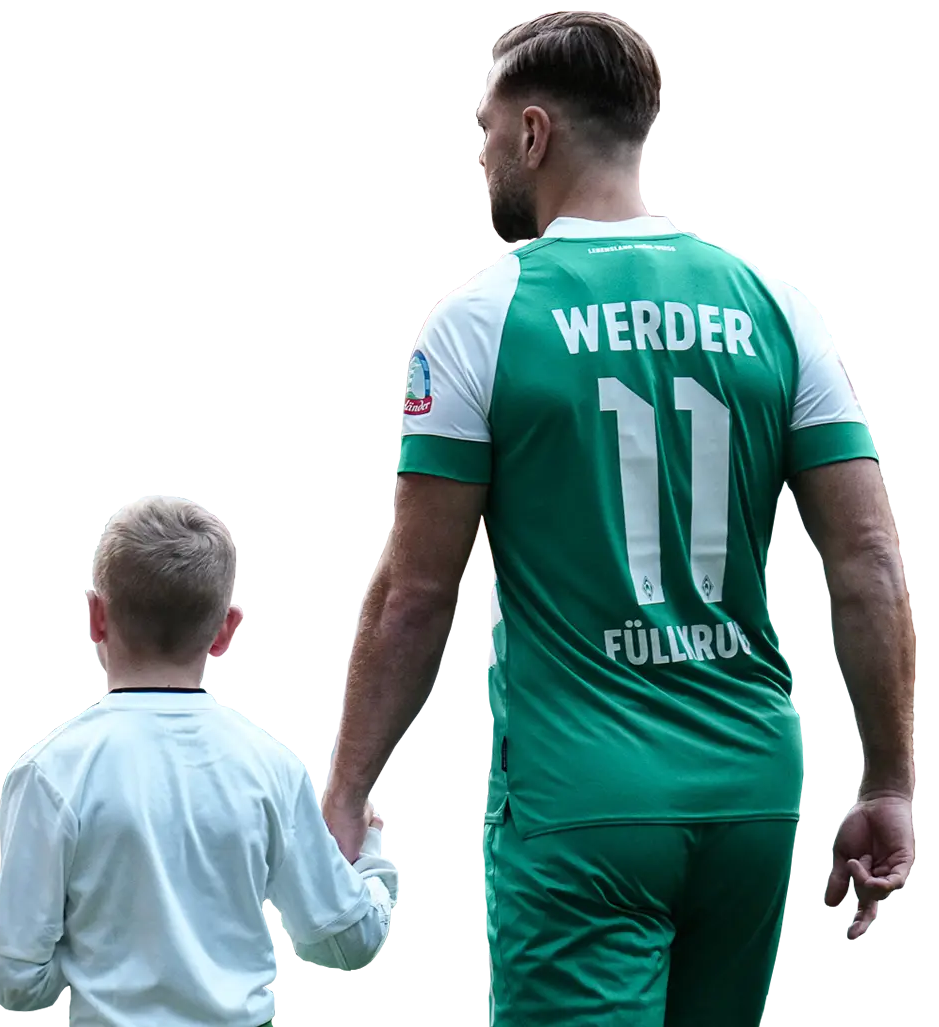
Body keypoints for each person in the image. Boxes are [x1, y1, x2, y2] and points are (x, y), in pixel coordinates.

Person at [320, 10, 916, 1027]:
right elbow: (865, 557)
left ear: (535, 133)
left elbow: (417, 593)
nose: (481, 156)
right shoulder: (780, 308)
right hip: (752, 789)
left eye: (487, 129)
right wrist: (893, 777)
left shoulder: (480, 321)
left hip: (582, 796)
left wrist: (345, 787)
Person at [0, 496, 398, 1027]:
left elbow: (12, 976)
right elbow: (346, 940)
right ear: (226, 628)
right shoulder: (270, 771)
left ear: (96, 615)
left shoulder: (50, 773)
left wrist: (100, 983)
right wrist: (371, 858)